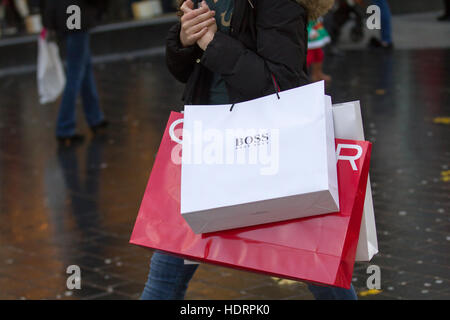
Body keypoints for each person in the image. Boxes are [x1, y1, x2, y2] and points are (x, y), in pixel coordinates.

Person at [141, 0, 358, 300]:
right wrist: (183, 41)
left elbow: (279, 86)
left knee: (322, 271)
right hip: (207, 150)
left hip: (272, 154)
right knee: (162, 281)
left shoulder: (279, 5)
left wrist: (213, 43)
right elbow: (185, 73)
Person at [40, 0, 109, 145]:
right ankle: (65, 128)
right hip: (75, 15)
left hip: (64, 16)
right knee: (75, 73)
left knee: (84, 68)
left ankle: (95, 118)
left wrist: (48, 19)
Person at [307, 18, 331, 83]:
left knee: (319, 57)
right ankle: (308, 76)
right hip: (310, 42)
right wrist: (310, 32)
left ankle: (318, 73)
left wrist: (324, 35)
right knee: (308, 59)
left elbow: (319, 27)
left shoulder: (316, 18)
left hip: (317, 40)